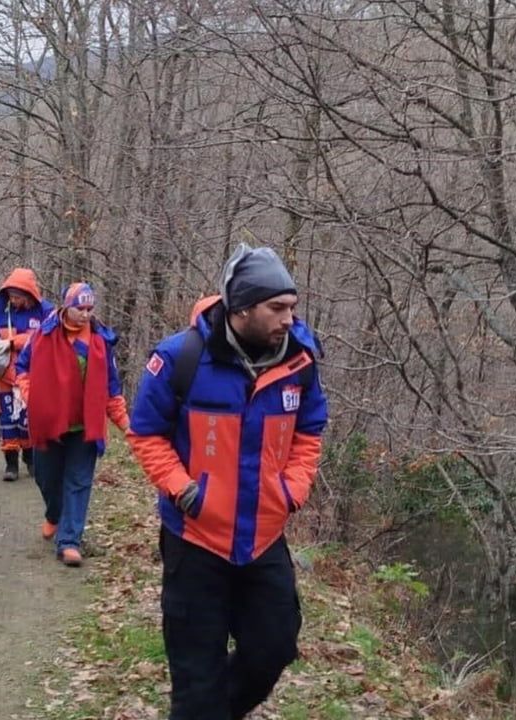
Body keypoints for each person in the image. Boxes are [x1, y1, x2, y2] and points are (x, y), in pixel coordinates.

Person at [126, 244, 328, 719]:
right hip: (195, 539)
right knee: (196, 677)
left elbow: (310, 431)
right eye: (277, 308)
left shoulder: (299, 361)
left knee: (274, 647)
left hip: (263, 538)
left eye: (292, 307)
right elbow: (146, 432)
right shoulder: (181, 358)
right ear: (240, 309)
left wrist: (293, 489)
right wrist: (182, 487)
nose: (288, 318)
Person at [15, 282, 129, 565]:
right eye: (81, 308)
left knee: (78, 481)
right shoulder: (43, 334)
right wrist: (33, 397)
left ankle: (69, 541)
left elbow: (111, 390)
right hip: (48, 421)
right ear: (67, 306)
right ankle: (54, 515)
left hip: (85, 427)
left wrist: (127, 424)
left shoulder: (100, 342)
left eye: (90, 309)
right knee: (46, 477)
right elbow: (23, 369)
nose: (85, 314)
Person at [0, 268, 54, 481]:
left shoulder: (45, 312)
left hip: (32, 377)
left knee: (28, 421)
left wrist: (11, 342)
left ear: (29, 295)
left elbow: (46, 338)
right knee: (7, 420)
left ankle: (30, 458)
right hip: (4, 377)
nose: (14, 300)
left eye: (18, 296)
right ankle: (11, 464)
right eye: (12, 296)